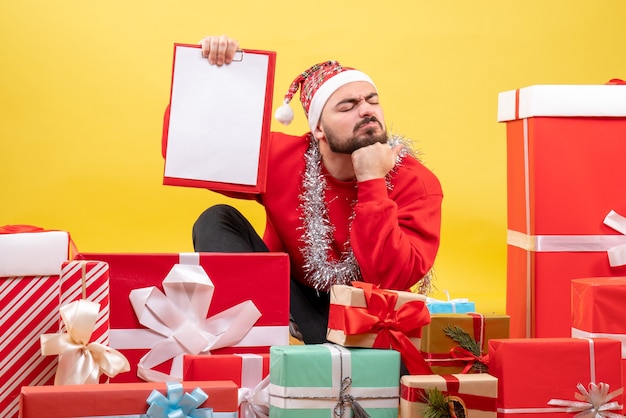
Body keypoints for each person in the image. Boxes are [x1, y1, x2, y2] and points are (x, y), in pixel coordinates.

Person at [169, 35, 443, 345]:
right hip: (285, 295)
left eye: (372, 100)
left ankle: (323, 350)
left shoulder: (415, 181)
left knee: (368, 362)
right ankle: (255, 335)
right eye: (348, 106)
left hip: (367, 315)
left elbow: (390, 278)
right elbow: (188, 150)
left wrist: (371, 181)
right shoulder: (283, 158)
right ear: (319, 130)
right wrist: (213, 75)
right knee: (216, 220)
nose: (367, 111)